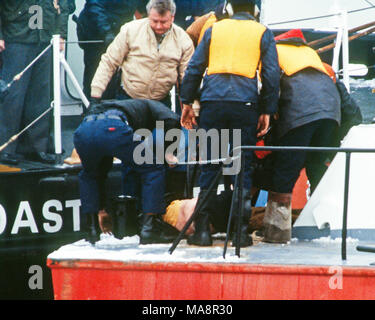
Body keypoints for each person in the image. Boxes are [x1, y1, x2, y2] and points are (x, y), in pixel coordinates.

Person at [180, 0, 280, 247]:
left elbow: (194, 68)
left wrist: (186, 101)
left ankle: (202, 233)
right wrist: (267, 110)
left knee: (209, 167)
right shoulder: (262, 32)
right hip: (244, 106)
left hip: (212, 104)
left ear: (229, 10)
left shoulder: (215, 29)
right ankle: (239, 234)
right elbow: (271, 74)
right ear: (255, 12)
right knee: (242, 168)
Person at [262, 29, 341, 244]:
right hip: (331, 112)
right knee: (317, 166)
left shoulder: (271, 51)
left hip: (300, 113)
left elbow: (268, 87)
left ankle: (276, 233)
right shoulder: (308, 51)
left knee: (285, 171)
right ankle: (327, 227)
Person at [74, 98, 180, 245]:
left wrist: (101, 209)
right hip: (113, 127)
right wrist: (169, 151)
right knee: (153, 168)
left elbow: (101, 155)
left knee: (90, 175)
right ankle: (149, 229)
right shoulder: (152, 105)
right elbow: (172, 118)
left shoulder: (115, 104)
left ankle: (92, 229)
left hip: (83, 131)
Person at [0, 0, 74, 165]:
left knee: (41, 97)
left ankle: (36, 147)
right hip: (16, 36)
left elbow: (64, 4)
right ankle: (5, 148)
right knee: (12, 96)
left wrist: (61, 33)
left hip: (45, 38)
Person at [90, 0, 194, 108]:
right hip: (128, 101)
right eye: (154, 21)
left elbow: (187, 77)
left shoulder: (183, 40)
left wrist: (190, 106)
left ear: (172, 18)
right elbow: (109, 62)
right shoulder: (130, 30)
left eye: (163, 22)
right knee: (126, 125)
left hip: (160, 105)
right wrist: (95, 96)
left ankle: (160, 126)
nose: (158, 26)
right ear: (148, 15)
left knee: (160, 125)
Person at [75, 0, 147, 98]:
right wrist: (107, 32)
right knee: (95, 76)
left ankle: (112, 109)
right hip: (96, 34)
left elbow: (145, 7)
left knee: (117, 79)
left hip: (119, 30)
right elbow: (94, 5)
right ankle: (92, 109)